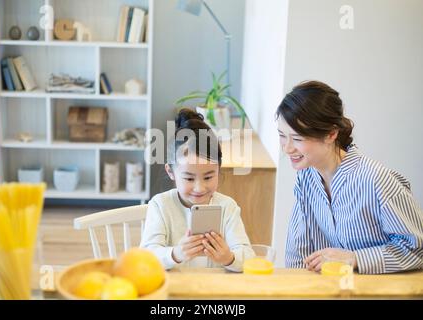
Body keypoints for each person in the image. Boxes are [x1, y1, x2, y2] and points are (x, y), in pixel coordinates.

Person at [276, 80, 423, 274]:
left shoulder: (376, 180)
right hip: (332, 291)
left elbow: (417, 250)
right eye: (281, 135)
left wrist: (355, 258)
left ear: (331, 134)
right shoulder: (306, 177)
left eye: (297, 138)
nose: (287, 148)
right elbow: (298, 252)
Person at [140, 108, 253, 272]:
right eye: (189, 178)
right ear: (170, 172)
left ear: (219, 169)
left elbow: (249, 257)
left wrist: (229, 258)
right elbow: (145, 257)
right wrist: (175, 254)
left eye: (208, 177)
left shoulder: (228, 207)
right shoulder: (160, 205)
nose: (199, 188)